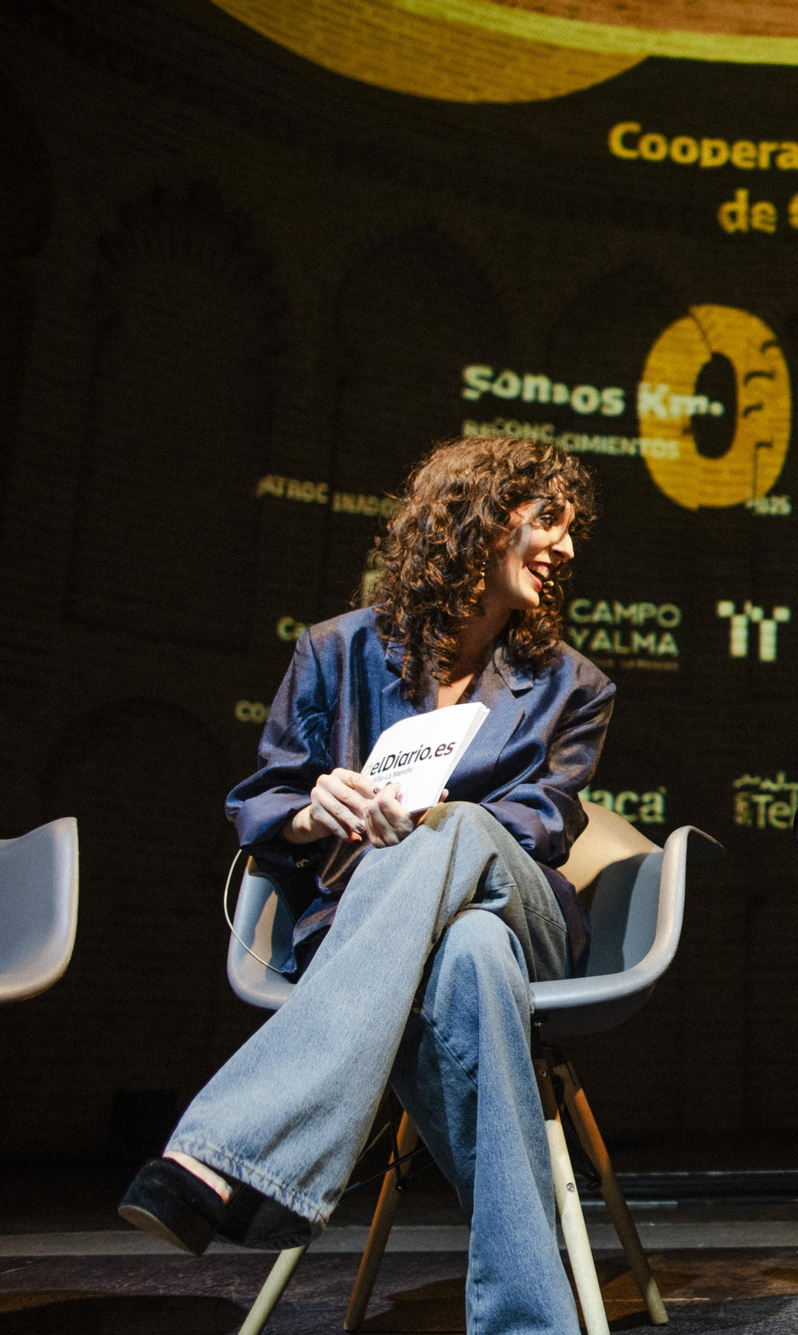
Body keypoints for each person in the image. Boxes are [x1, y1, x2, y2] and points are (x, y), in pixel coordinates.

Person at [119, 435, 614, 1335]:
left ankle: (227, 1144)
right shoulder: (333, 652)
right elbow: (259, 801)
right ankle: (531, 1320)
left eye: (572, 530)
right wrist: (321, 807)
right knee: (469, 961)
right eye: (549, 520)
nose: (568, 547)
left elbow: (541, 825)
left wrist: (421, 827)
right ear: (477, 518)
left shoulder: (572, 685)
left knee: (456, 828)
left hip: (520, 901)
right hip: (384, 933)